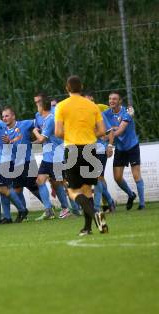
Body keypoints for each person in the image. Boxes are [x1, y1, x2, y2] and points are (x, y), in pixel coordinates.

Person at [55, 75, 108, 236]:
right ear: (82, 87)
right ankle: (88, 228)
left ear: (67, 88)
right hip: (90, 150)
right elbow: (102, 131)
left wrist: (72, 133)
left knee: (72, 191)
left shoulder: (62, 106)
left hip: (72, 149)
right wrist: (87, 133)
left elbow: (57, 132)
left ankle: (95, 215)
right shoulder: (92, 106)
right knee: (87, 190)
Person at [103, 91, 145, 210]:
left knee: (136, 175)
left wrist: (108, 137)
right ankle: (131, 194)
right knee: (117, 177)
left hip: (132, 147)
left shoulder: (127, 111)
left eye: (115, 99)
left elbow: (120, 131)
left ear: (120, 101)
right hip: (120, 149)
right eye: (110, 99)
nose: (112, 101)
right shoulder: (105, 114)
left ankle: (142, 204)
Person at [33, 94, 70, 220]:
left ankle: (73, 206)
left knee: (61, 183)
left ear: (43, 106)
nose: (36, 106)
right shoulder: (38, 116)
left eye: (38, 103)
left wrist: (35, 132)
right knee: (40, 181)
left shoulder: (51, 117)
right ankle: (49, 210)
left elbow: (42, 138)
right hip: (47, 156)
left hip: (57, 155)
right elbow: (38, 127)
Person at [1, 106, 41, 222]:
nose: (5, 118)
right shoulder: (3, 130)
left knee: (34, 187)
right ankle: (23, 213)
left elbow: (38, 122)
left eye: (7, 115)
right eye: (3, 116)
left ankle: (49, 208)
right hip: (14, 163)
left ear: (13, 116)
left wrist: (38, 133)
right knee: (17, 188)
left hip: (28, 161)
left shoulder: (25, 124)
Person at [83, 92, 116, 213]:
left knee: (96, 178)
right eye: (88, 100)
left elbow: (110, 131)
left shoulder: (99, 114)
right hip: (86, 151)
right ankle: (110, 202)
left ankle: (96, 208)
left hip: (100, 150)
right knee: (94, 179)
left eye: (92, 100)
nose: (91, 103)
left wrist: (110, 146)